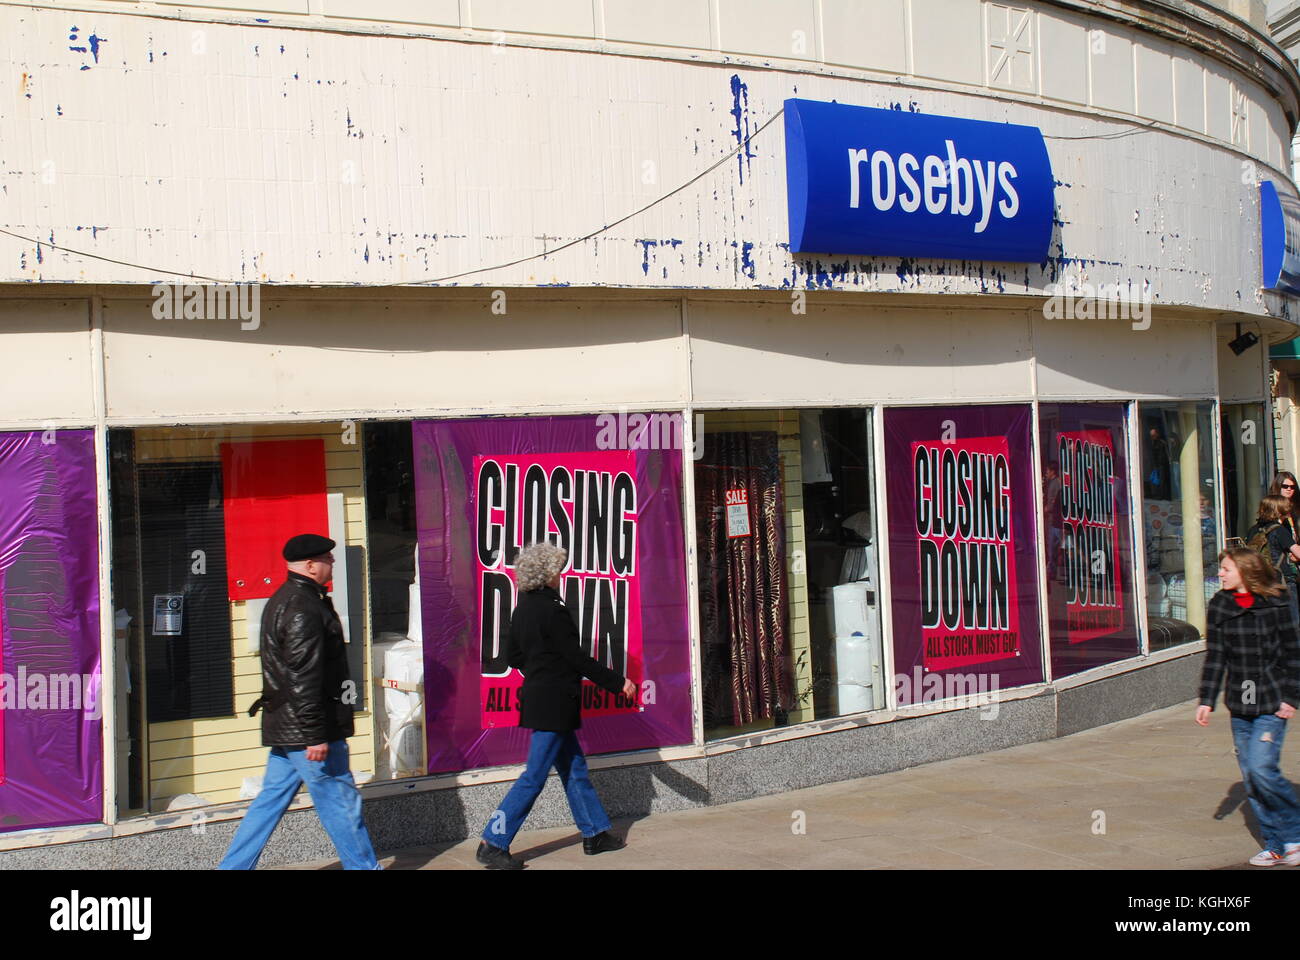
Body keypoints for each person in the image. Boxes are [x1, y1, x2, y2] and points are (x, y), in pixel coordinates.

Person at [219, 534, 381, 870]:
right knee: (341, 804)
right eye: (327, 558)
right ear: (310, 565)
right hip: (309, 730)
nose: (332, 563)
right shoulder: (303, 607)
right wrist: (315, 734)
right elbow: (303, 677)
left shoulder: (288, 598)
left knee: (268, 803)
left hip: (288, 728)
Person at [476, 541, 636, 870]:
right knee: (533, 777)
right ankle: (494, 841)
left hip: (542, 699)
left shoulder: (523, 609)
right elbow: (576, 658)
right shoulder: (553, 610)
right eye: (558, 569)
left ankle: (595, 834)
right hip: (555, 704)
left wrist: (541, 665)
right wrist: (618, 682)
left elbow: (514, 657)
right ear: (548, 574)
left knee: (574, 769)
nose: (561, 574)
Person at [1196, 547, 1300, 866]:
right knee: (1252, 778)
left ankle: (1294, 833)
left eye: (1226, 568)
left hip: (1271, 697)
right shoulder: (1220, 604)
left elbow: (1293, 652)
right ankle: (1276, 844)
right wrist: (1206, 700)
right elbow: (1216, 656)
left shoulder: (1277, 601)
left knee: (1261, 770)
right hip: (1242, 699)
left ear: (1245, 570)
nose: (1221, 574)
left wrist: (1290, 698)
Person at [1266, 472, 1300, 622]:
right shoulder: (1274, 522)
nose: (1289, 490)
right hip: (1282, 573)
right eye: (1285, 486)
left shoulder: (1295, 511)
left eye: (1292, 487)